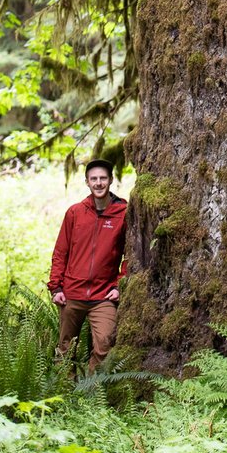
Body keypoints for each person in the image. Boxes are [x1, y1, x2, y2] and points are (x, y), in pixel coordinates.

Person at [47, 158, 127, 372]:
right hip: (72, 293)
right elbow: (60, 252)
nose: (99, 183)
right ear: (87, 182)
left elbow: (131, 255)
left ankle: (91, 393)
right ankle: (65, 396)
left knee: (105, 345)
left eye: (103, 178)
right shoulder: (75, 213)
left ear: (110, 180)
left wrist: (119, 285)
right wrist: (56, 287)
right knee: (65, 349)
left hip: (103, 295)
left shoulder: (123, 213)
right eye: (94, 179)